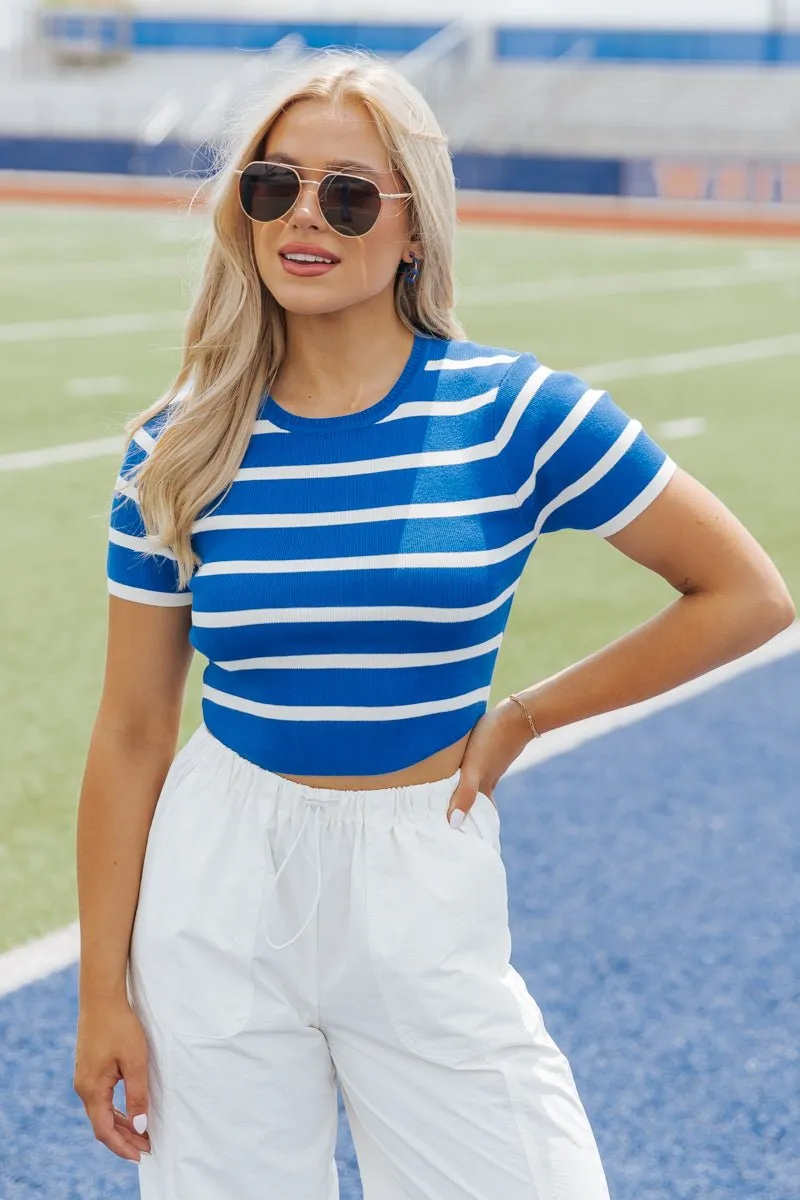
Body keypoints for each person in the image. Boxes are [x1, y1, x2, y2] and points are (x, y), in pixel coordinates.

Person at [73, 47, 795, 1200]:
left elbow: (746, 594)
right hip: (215, 877)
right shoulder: (177, 447)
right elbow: (128, 735)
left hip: (418, 866)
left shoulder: (512, 411)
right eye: (274, 185)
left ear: (413, 229)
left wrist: (524, 716)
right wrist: (102, 992)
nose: (304, 217)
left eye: (348, 194)